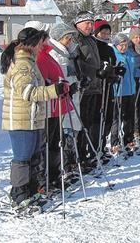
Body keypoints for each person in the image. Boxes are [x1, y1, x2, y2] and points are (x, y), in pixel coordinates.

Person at [0, 27, 68, 207]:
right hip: (21, 119)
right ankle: (19, 193)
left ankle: (30, 190)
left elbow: (35, 85)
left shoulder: (30, 62)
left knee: (33, 156)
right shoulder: (23, 64)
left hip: (32, 117)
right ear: (30, 44)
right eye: (39, 44)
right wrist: (53, 90)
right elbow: (28, 92)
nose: (41, 47)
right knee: (22, 157)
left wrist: (51, 85)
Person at [33, 22, 75, 192]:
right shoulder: (41, 57)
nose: (47, 41)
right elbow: (41, 82)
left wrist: (66, 86)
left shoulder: (48, 55)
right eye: (45, 38)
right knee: (48, 144)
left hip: (58, 104)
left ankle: (55, 176)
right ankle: (45, 180)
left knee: (57, 142)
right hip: (49, 107)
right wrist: (55, 85)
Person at [48, 23, 82, 184]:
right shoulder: (56, 54)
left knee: (72, 131)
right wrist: (69, 86)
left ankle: (70, 164)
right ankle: (65, 167)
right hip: (62, 99)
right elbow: (58, 78)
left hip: (71, 97)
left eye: (70, 38)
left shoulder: (67, 54)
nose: (69, 41)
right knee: (65, 132)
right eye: (66, 38)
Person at [73, 11, 103, 170]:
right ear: (78, 23)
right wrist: (93, 72)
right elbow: (77, 63)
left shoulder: (91, 39)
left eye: (91, 23)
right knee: (82, 123)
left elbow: (95, 61)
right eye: (87, 23)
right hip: (84, 87)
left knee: (92, 122)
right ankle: (80, 157)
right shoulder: (75, 38)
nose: (90, 26)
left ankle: (90, 153)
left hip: (95, 86)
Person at [93, 19, 119, 162]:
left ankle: (102, 146)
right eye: (103, 33)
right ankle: (95, 148)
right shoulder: (94, 46)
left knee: (108, 118)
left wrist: (115, 73)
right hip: (98, 88)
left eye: (108, 33)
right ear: (97, 33)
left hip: (108, 86)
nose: (105, 35)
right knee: (98, 119)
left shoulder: (109, 48)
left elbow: (112, 64)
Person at [110, 33, 137, 153]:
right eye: (121, 45)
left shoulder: (130, 55)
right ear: (116, 45)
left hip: (131, 90)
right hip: (118, 91)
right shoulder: (113, 55)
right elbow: (111, 72)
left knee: (129, 117)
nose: (123, 47)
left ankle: (128, 140)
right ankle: (114, 142)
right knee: (117, 118)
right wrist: (115, 73)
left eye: (125, 45)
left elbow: (135, 70)